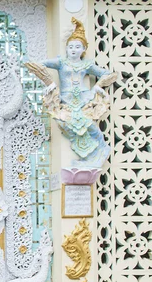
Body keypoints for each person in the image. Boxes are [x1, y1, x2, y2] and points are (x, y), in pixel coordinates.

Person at [25, 17, 117, 169]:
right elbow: (42, 64)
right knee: (66, 123)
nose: (73, 49)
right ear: (66, 49)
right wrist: (50, 83)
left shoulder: (86, 65)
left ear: (83, 50)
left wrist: (97, 86)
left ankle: (100, 150)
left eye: (77, 47)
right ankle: (90, 156)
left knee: (89, 126)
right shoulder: (61, 62)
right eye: (71, 47)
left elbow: (107, 74)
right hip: (66, 100)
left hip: (83, 98)